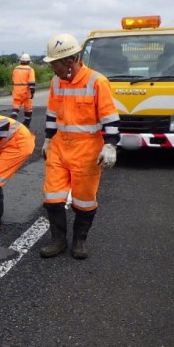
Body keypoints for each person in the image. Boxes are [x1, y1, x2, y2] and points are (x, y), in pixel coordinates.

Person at [40, 33, 120, 260]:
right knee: (52, 197)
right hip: (59, 146)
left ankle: (79, 241)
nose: (52, 68)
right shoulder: (56, 82)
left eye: (54, 63)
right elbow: (52, 114)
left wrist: (111, 145)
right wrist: (47, 139)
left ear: (69, 61)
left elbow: (110, 118)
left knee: (84, 200)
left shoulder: (97, 82)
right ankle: (58, 241)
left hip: (87, 150)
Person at [11, 53, 36, 127]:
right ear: (28, 61)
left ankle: (12, 121)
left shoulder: (16, 69)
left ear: (20, 61)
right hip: (25, 91)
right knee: (28, 107)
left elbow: (13, 80)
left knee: (15, 106)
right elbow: (31, 82)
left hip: (16, 90)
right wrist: (32, 92)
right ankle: (27, 123)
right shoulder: (30, 69)